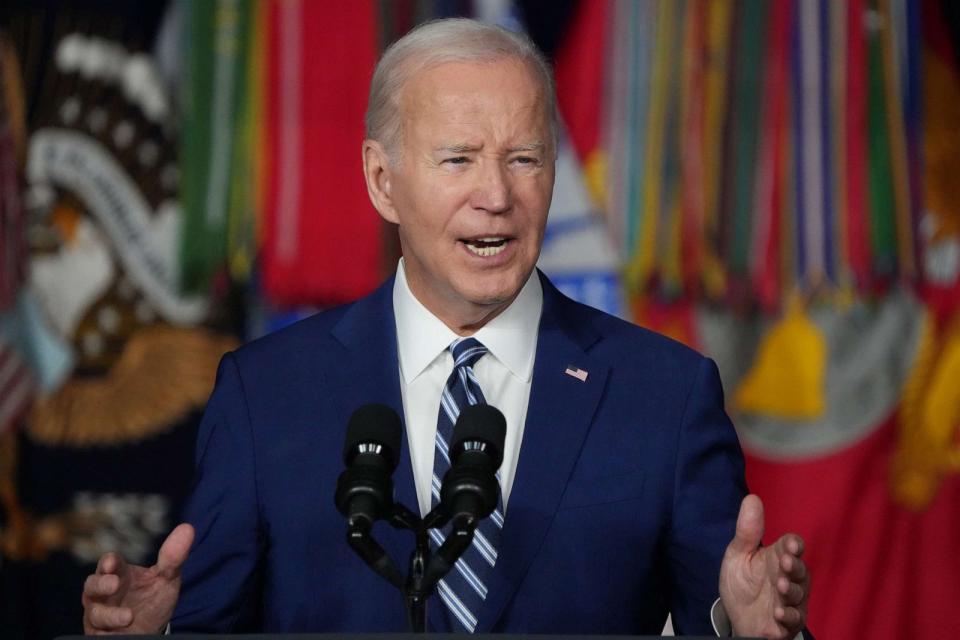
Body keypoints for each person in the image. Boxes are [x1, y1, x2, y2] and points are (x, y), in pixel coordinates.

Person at [81, 18, 809, 638]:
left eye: (524, 159)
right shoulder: (266, 392)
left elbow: (731, 606)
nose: (495, 196)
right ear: (382, 180)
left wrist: (742, 628)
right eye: (458, 159)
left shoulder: (665, 395)